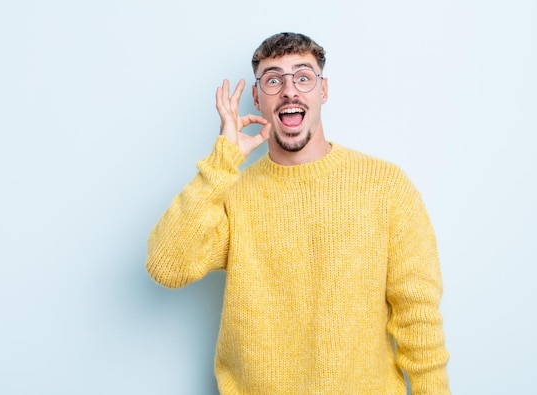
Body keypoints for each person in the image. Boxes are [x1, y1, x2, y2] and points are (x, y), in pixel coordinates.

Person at [146, 32, 450, 394]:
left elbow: (418, 316)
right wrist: (221, 161)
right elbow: (167, 266)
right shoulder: (232, 192)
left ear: (323, 91)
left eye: (303, 76)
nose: (290, 90)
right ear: (257, 98)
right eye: (273, 79)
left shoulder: (385, 186)